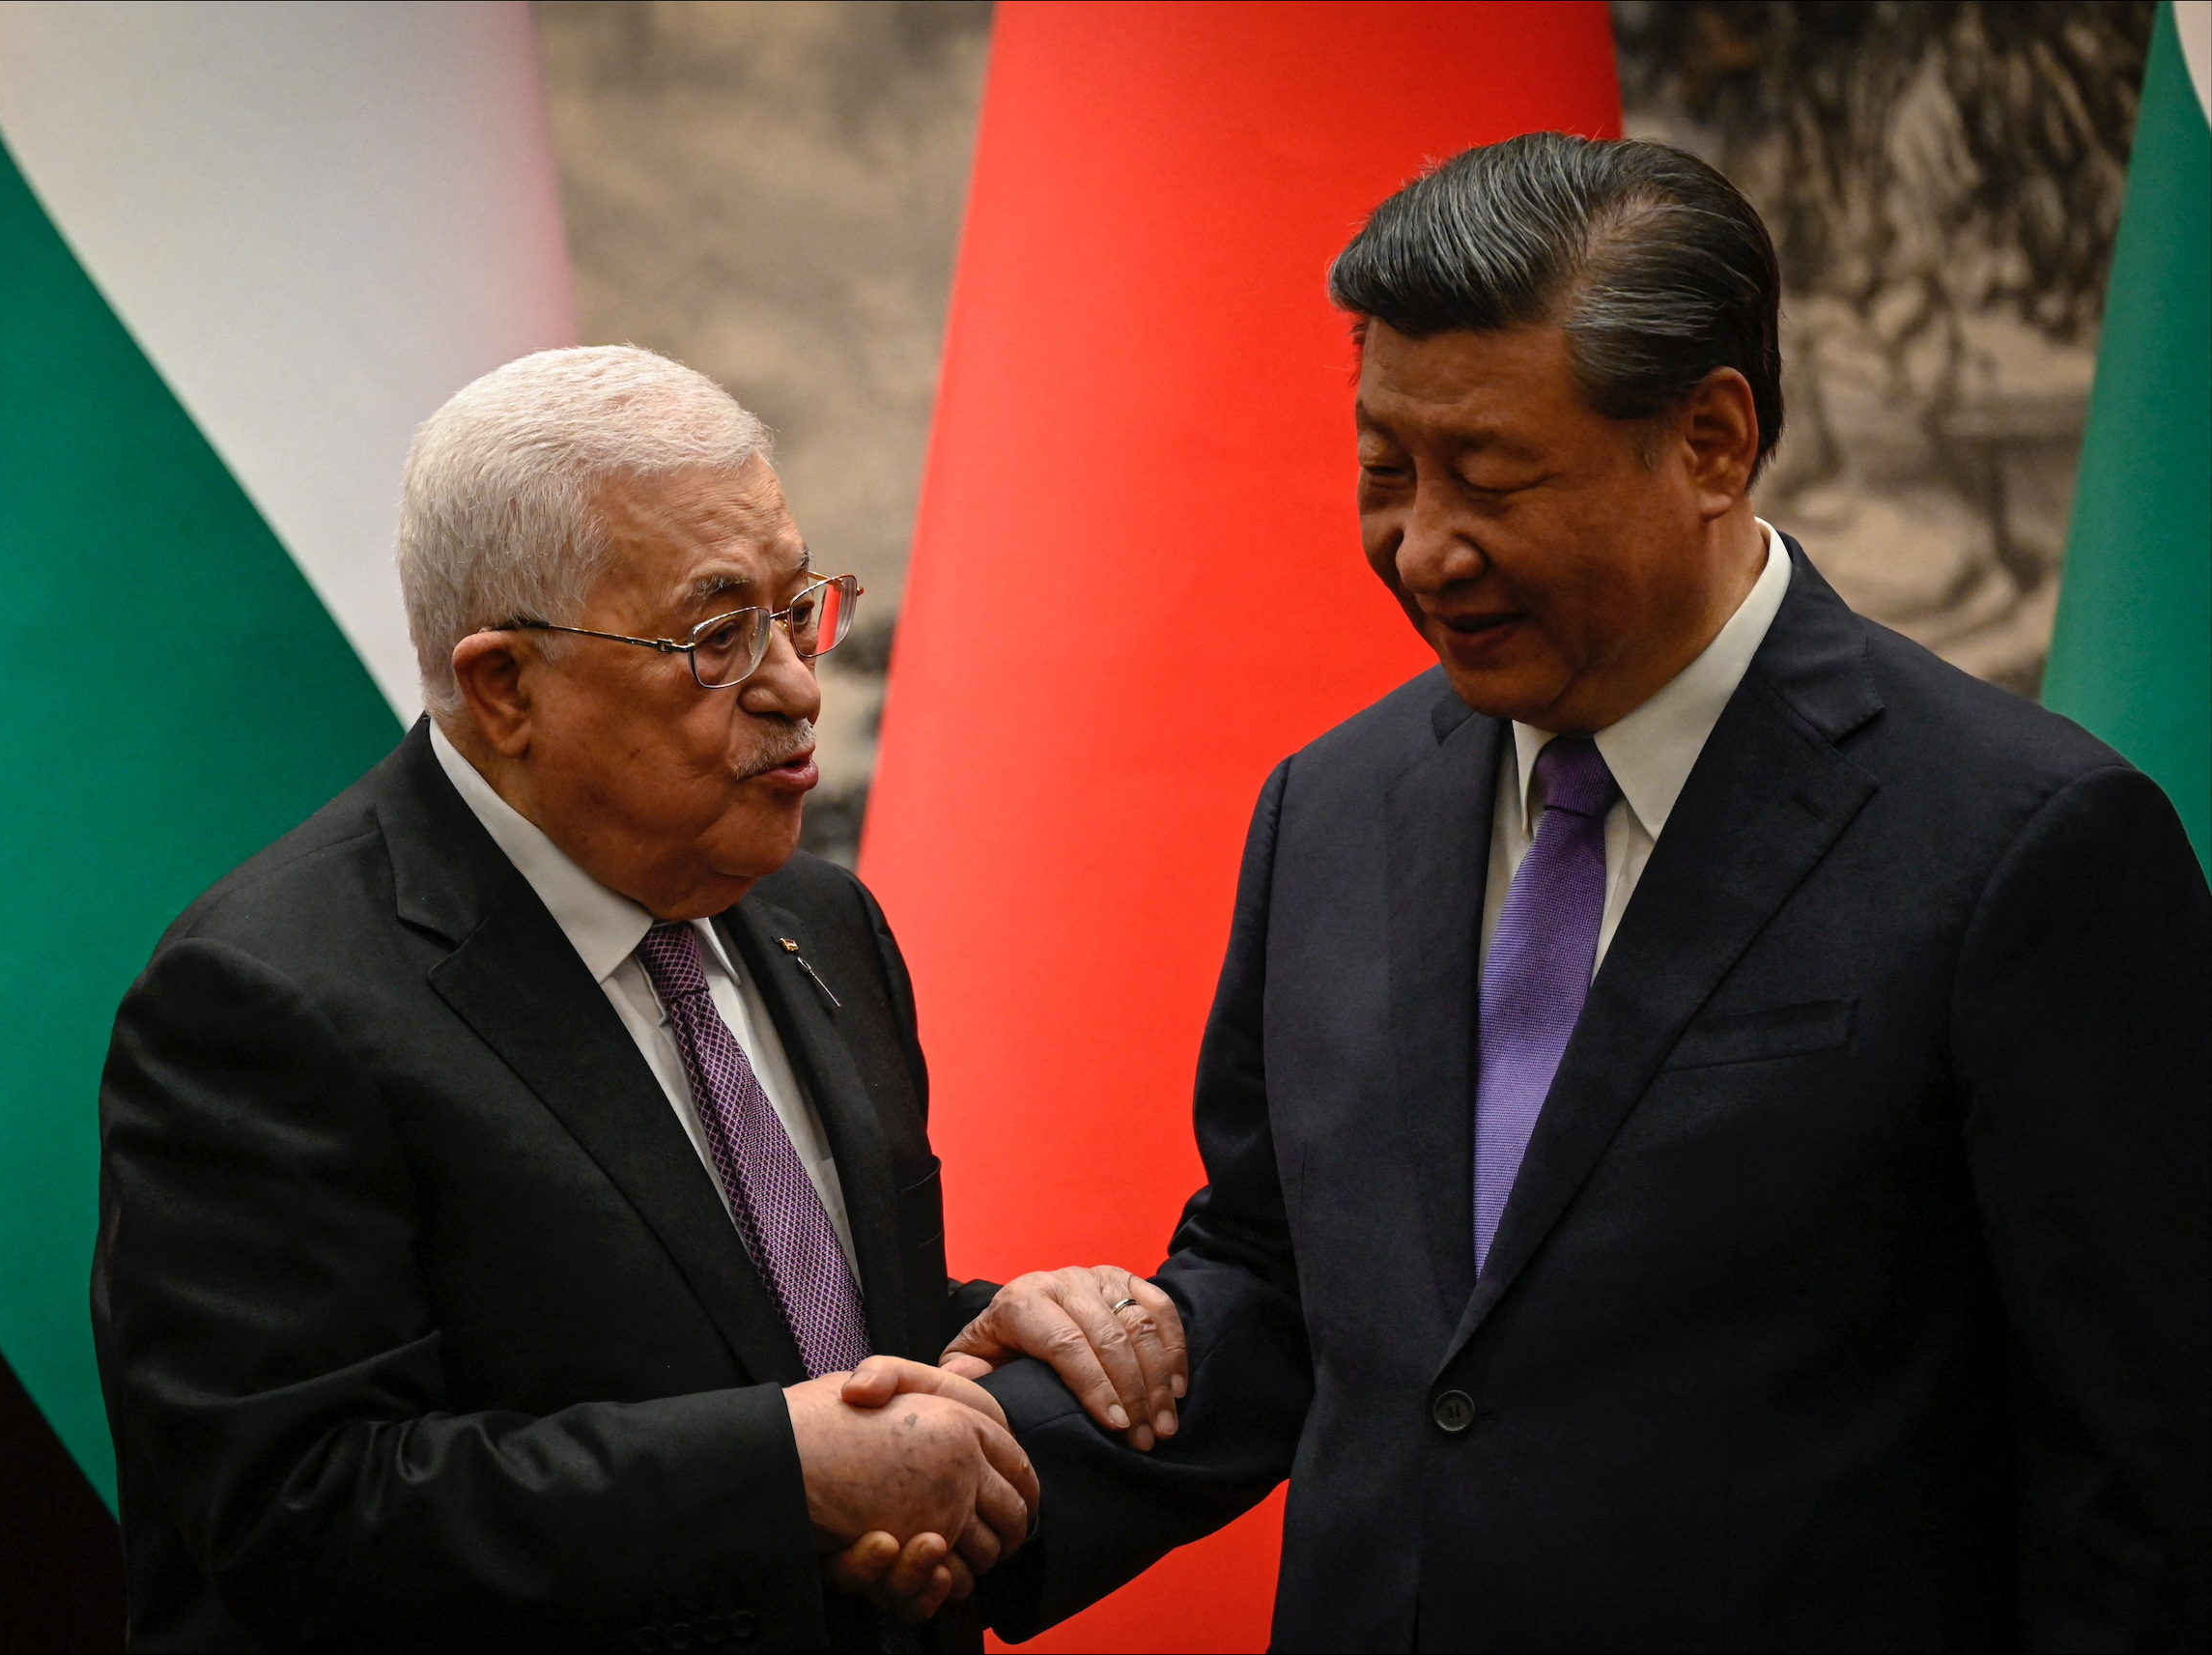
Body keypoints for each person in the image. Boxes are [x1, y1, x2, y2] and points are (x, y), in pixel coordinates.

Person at [938, 134, 2212, 1649]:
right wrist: (973, 1478)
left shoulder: (2025, 844)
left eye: (1488, 478)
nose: (1422, 547)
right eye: (1383, 471)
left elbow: (2144, 1462)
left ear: (1711, 442)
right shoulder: (1331, 807)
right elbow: (1290, 1279)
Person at [92, 347, 1044, 1652]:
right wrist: (776, 1474)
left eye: (797, 606)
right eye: (716, 636)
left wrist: (992, 1336)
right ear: (504, 688)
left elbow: (777, 1330)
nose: (794, 684)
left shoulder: (823, 921)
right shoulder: (266, 999)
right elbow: (297, 1512)